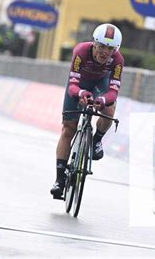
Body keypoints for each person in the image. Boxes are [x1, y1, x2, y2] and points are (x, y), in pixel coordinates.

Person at [50, 23, 124, 199]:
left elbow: (113, 91)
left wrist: (103, 100)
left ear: (115, 50)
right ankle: (59, 180)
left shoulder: (118, 60)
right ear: (94, 43)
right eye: (102, 46)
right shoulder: (81, 51)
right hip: (80, 84)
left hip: (101, 84)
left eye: (110, 49)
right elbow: (73, 85)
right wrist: (81, 93)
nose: (105, 52)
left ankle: (96, 140)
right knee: (68, 129)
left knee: (109, 109)